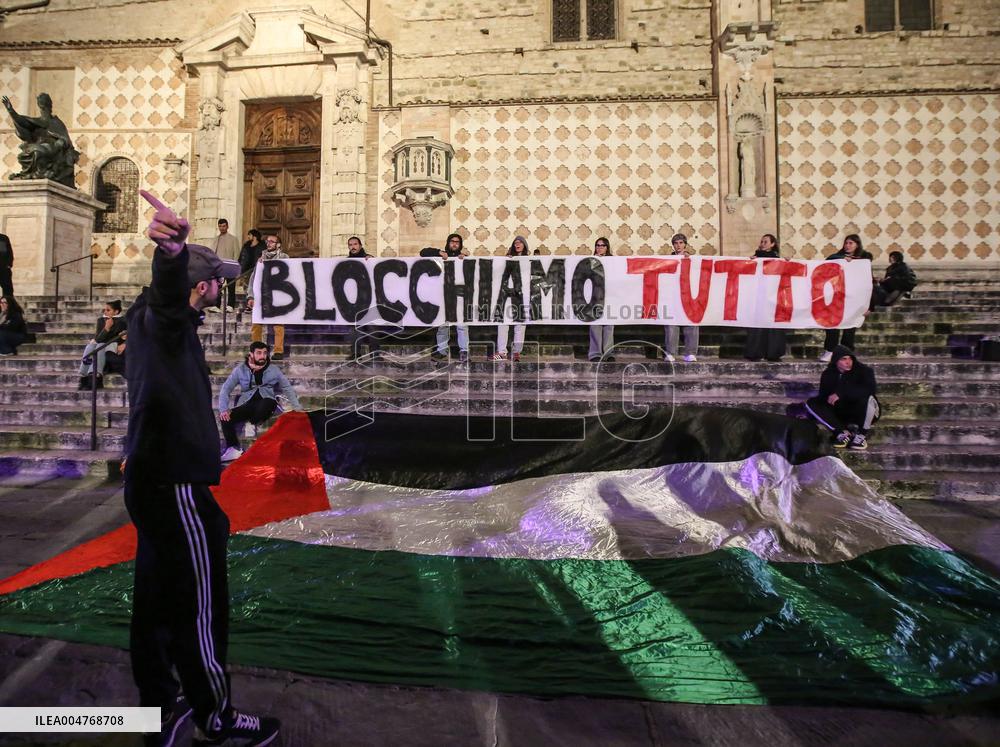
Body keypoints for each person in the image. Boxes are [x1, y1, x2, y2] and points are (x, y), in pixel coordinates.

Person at [125, 190, 279, 746]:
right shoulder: (166, 317)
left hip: (153, 474)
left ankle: (157, 712)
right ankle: (215, 716)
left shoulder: (151, 322)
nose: (222, 286)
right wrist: (170, 255)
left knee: (158, 596)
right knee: (200, 600)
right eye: (217, 279)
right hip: (177, 483)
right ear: (200, 286)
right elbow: (169, 297)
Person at [218, 341, 300, 462]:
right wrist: (223, 409)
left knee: (266, 403)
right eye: (259, 353)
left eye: (265, 353)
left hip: (267, 402)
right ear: (251, 354)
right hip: (247, 404)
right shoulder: (240, 370)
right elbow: (226, 388)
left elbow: (286, 387)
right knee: (224, 417)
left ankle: (252, 422)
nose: (263, 356)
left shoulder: (273, 369)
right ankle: (233, 448)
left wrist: (297, 407)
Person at [804, 344, 879, 451]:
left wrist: (841, 393)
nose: (848, 362)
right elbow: (823, 396)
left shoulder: (864, 371)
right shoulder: (828, 374)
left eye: (850, 359)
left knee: (869, 398)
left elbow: (869, 390)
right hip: (841, 411)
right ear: (836, 361)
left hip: (861, 410)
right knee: (812, 403)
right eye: (844, 359)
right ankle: (842, 432)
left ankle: (861, 435)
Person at [819, 234, 873, 362]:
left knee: (850, 327)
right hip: (837, 297)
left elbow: (869, 284)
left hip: (854, 299)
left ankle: (845, 353)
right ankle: (830, 350)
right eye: (846, 243)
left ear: (857, 245)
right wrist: (844, 258)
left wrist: (870, 305)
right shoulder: (837, 257)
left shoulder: (863, 262)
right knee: (833, 325)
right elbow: (828, 261)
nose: (847, 246)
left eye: (851, 243)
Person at [422, 233, 470, 362]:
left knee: (462, 325)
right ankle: (442, 350)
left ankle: (464, 351)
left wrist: (466, 257)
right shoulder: (441, 255)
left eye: (457, 242)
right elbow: (423, 252)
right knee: (443, 325)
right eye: (452, 241)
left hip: (459, 296)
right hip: (443, 296)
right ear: (448, 243)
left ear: (460, 245)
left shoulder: (464, 257)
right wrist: (439, 252)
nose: (454, 244)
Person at [744, 234, 786, 362]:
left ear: (772, 244)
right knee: (758, 325)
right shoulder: (756, 258)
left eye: (766, 242)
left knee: (772, 325)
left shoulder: (777, 259)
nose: (762, 243)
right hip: (758, 296)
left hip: (773, 296)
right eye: (761, 241)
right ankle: (756, 352)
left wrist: (788, 262)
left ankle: (773, 352)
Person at [247, 234, 288, 361]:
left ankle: (278, 350)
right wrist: (250, 295)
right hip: (262, 295)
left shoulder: (285, 257)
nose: (268, 243)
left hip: (278, 295)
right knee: (257, 324)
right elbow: (253, 279)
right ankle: (256, 350)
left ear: (278, 244)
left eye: (272, 241)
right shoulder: (261, 259)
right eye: (267, 241)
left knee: (278, 324)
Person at [343, 237, 384, 363]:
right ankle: (355, 353)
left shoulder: (369, 259)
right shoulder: (345, 263)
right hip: (353, 301)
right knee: (355, 328)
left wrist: (372, 261)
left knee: (373, 327)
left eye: (355, 244)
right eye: (350, 245)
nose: (353, 247)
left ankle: (375, 354)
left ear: (360, 245)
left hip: (369, 298)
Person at [663, 233, 699, 362]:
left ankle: (690, 352)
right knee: (671, 324)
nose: (678, 245)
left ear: (685, 244)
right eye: (676, 243)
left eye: (681, 243)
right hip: (672, 295)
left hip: (688, 295)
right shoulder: (667, 260)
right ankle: (670, 352)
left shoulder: (693, 259)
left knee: (691, 323)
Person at [494, 235, 530, 362]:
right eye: (515, 242)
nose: (517, 244)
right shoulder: (508, 258)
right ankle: (502, 352)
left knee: (520, 324)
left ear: (524, 245)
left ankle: (516, 352)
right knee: (503, 323)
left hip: (522, 296)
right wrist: (506, 261)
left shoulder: (530, 259)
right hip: (508, 295)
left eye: (520, 242)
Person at [78, 299, 127, 389]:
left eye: (108, 310)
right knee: (90, 347)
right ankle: (84, 377)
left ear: (116, 311)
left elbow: (128, 335)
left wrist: (125, 342)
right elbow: (98, 339)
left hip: (113, 347)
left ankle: (96, 378)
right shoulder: (101, 320)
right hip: (101, 344)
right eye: (105, 310)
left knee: (100, 346)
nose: (105, 312)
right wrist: (106, 328)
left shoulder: (123, 321)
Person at [588, 237, 615, 363]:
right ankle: (595, 353)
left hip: (610, 297)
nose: (599, 247)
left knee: (609, 325)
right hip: (595, 296)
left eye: (602, 245)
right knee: (595, 324)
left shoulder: (613, 261)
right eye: (597, 245)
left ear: (607, 247)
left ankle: (609, 353)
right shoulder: (590, 261)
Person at [210, 219, 240, 312]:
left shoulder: (233, 239)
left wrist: (235, 266)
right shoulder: (216, 239)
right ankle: (216, 305)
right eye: (220, 226)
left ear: (227, 226)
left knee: (231, 286)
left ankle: (230, 306)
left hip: (230, 266)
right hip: (219, 266)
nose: (222, 228)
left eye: (223, 226)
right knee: (218, 286)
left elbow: (237, 253)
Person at [237, 229, 263, 306]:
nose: (248, 236)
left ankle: (257, 304)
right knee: (247, 289)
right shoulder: (246, 245)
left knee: (257, 287)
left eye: (249, 235)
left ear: (254, 236)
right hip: (246, 270)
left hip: (256, 269)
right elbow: (241, 256)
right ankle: (248, 304)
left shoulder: (262, 245)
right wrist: (239, 266)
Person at [0, 232, 13, 298]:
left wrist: (9, 264)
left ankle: (9, 307)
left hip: (4, 268)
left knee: (8, 290)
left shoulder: (3, 238)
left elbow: (9, 252)